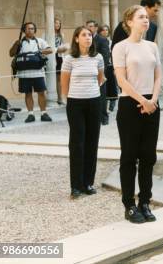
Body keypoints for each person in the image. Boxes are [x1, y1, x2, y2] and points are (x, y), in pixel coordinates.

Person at [112, 5, 161, 224]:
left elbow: (159, 75)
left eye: (146, 17)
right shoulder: (121, 47)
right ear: (129, 21)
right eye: (140, 17)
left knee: (148, 156)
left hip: (152, 103)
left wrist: (153, 101)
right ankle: (129, 204)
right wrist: (142, 101)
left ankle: (145, 201)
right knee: (130, 156)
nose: (145, 20)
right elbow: (121, 80)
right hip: (130, 103)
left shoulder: (152, 46)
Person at [60, 26, 105, 199]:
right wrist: (68, 100)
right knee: (77, 143)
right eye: (84, 35)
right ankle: (76, 186)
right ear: (77, 38)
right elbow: (64, 83)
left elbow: (100, 79)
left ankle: (88, 183)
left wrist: (90, 91)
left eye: (90, 35)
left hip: (94, 102)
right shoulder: (70, 58)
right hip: (75, 103)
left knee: (92, 142)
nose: (88, 38)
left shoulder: (98, 57)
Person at [9, 22, 53, 123]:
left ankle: (44, 113)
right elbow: (11, 54)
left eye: (32, 28)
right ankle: (30, 114)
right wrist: (16, 45)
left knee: (41, 93)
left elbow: (50, 50)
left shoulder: (40, 41)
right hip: (24, 74)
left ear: (35, 30)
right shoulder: (19, 42)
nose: (30, 30)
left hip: (38, 72)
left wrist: (39, 52)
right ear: (24, 30)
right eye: (28, 29)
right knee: (28, 94)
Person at [87, 20, 112, 125]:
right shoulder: (85, 39)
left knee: (102, 94)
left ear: (96, 28)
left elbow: (106, 57)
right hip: (88, 72)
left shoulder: (102, 40)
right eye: (88, 26)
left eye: (91, 26)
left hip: (99, 71)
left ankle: (104, 117)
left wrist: (102, 72)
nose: (89, 28)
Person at [99, 25, 118, 112]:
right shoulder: (98, 41)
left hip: (110, 65)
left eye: (106, 30)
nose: (105, 32)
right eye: (103, 30)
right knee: (103, 85)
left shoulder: (111, 42)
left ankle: (113, 101)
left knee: (112, 84)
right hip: (101, 66)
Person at [54, 18, 68, 105]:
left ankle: (60, 98)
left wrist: (64, 49)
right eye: (56, 23)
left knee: (60, 78)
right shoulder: (46, 34)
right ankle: (51, 97)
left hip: (59, 57)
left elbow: (64, 46)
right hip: (51, 57)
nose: (57, 25)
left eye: (59, 23)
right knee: (51, 78)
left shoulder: (61, 35)